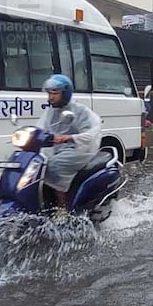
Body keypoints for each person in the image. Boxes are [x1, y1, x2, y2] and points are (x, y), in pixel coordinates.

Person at [36, 74, 102, 210]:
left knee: (54, 166)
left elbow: (91, 134)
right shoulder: (51, 112)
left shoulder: (79, 111)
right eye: (49, 93)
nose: (51, 97)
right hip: (58, 150)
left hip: (79, 150)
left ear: (65, 93)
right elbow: (42, 128)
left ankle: (62, 208)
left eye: (55, 93)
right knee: (36, 165)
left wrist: (70, 138)